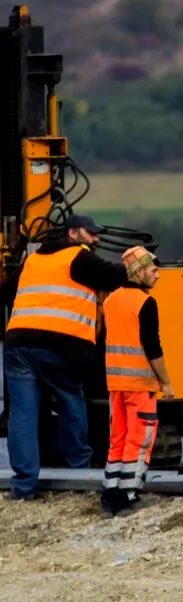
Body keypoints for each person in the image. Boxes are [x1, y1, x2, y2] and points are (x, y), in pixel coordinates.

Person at [2, 214, 129, 501]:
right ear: (73, 234)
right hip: (61, 347)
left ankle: (23, 488)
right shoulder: (79, 258)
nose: (96, 239)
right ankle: (78, 475)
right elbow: (116, 274)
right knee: (72, 403)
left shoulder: (33, 261)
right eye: (91, 234)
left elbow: (7, 293)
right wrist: (142, 263)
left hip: (18, 344)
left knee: (22, 413)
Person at [100, 246, 175, 518]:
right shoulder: (145, 303)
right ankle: (128, 497)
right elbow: (152, 347)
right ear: (139, 271)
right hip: (140, 386)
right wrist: (165, 382)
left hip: (115, 384)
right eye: (153, 271)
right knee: (140, 440)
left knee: (117, 439)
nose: (157, 276)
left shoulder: (110, 301)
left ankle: (110, 494)